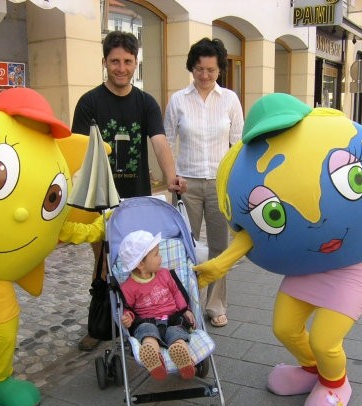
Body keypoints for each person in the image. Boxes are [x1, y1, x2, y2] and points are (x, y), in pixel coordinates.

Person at [72, 31, 187, 351]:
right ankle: (100, 325)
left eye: (127, 61)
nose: (121, 68)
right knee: (103, 263)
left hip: (136, 200)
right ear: (105, 62)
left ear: (136, 62)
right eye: (114, 61)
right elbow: (77, 149)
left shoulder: (145, 102)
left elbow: (160, 143)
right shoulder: (89, 103)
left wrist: (172, 177)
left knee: (134, 262)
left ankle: (139, 319)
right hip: (99, 199)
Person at [164, 37, 244, 327]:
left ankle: (215, 304)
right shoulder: (178, 100)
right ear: (192, 68)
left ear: (219, 69)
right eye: (199, 69)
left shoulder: (230, 100)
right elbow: (167, 140)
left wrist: (237, 182)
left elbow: (238, 145)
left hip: (220, 184)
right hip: (186, 184)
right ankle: (184, 303)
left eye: (211, 69)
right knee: (184, 245)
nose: (205, 75)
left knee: (220, 247)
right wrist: (171, 177)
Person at [119, 230, 196, 380]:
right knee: (147, 333)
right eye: (156, 254)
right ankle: (153, 357)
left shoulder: (165, 274)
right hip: (147, 322)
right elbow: (127, 308)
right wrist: (128, 316)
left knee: (176, 333)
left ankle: (180, 353)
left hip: (172, 318)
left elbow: (176, 293)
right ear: (141, 264)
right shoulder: (128, 287)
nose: (161, 257)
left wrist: (185, 310)